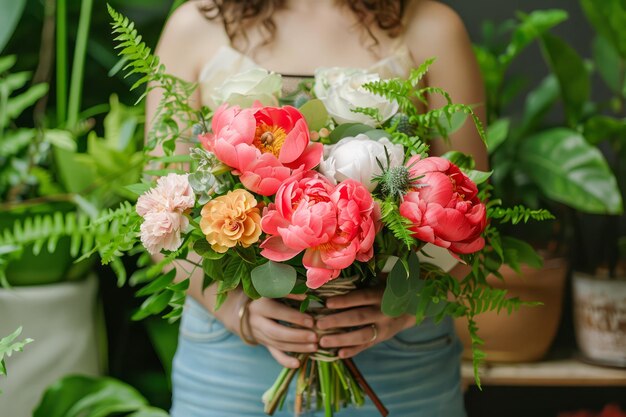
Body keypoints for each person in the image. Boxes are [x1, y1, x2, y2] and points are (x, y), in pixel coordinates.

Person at [146, 1, 488, 416]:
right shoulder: (194, 25)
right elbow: (162, 222)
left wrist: (404, 309)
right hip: (230, 363)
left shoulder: (433, 27)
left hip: (400, 362)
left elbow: (471, 217)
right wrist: (241, 313)